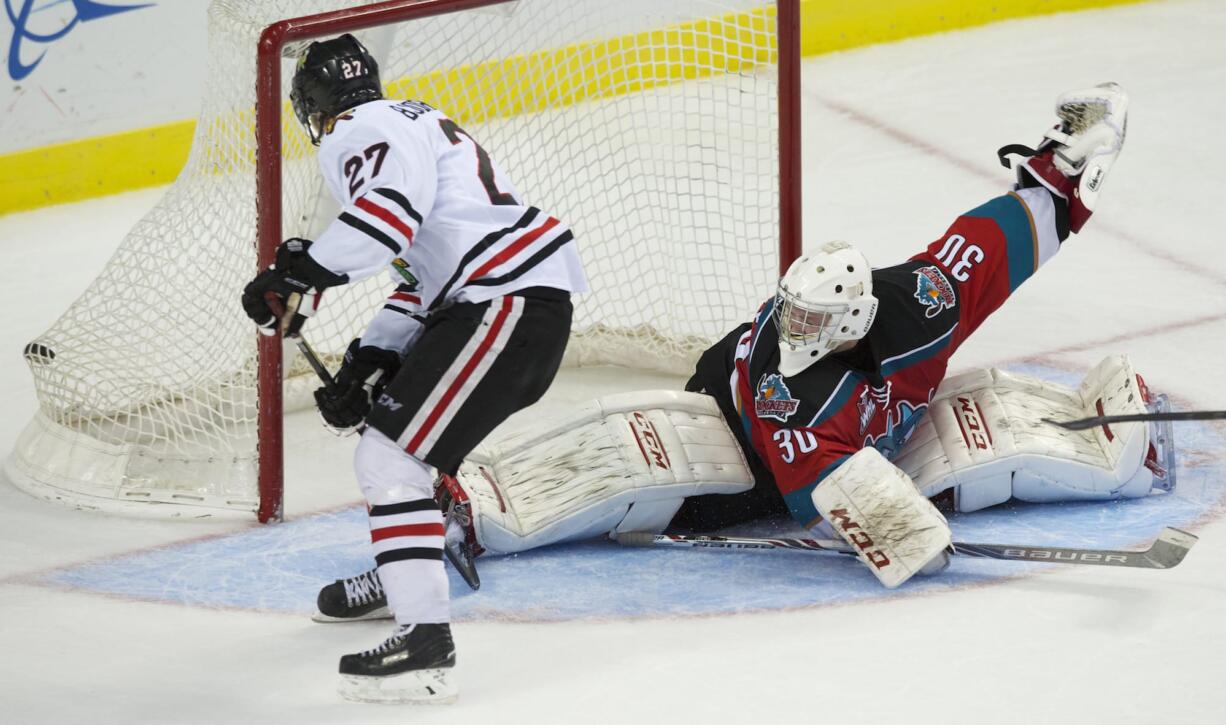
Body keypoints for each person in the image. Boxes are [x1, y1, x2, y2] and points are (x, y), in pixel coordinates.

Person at [315, 84, 1163, 599]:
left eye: (808, 323)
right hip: (756, 452)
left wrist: (1061, 171)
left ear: (854, 316)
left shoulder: (921, 303)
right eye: (786, 312)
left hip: (861, 431)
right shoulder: (782, 392)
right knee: (646, 460)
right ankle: (472, 516)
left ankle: (1128, 444)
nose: (790, 328)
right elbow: (818, 502)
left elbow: (990, 242)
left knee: (985, 450)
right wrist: (898, 526)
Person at [240, 34, 587, 704]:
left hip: (501, 304)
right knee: (394, 438)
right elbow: (415, 277)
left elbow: (384, 221)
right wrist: (369, 359)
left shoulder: (352, 132)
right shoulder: (415, 121)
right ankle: (405, 573)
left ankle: (424, 643)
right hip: (507, 304)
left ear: (313, 107)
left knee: (389, 460)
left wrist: (295, 273)